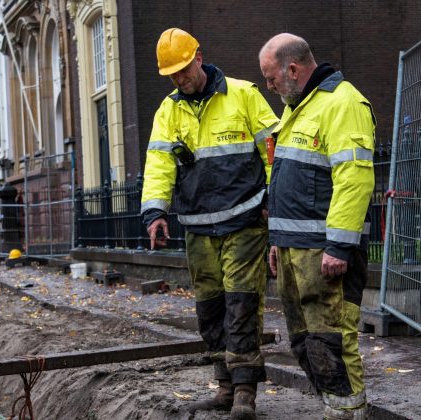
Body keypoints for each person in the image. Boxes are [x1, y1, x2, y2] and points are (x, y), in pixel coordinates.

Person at [141, 28, 278, 420]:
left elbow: (272, 148)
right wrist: (155, 213)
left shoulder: (242, 94)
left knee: (241, 303)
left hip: (244, 219)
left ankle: (245, 392)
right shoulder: (169, 111)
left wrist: (272, 196)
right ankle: (225, 384)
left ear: (199, 57)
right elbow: (158, 165)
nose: (179, 80)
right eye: (172, 75)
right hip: (199, 227)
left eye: (183, 70)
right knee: (210, 308)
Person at [258, 33, 375, 420]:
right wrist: (277, 240)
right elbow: (284, 179)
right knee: (305, 342)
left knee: (331, 341)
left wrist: (339, 246)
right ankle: (336, 409)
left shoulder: (343, 103)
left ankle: (347, 413)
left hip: (323, 250)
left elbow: (354, 179)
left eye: (272, 78)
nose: (269, 87)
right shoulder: (298, 107)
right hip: (296, 248)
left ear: (292, 69)